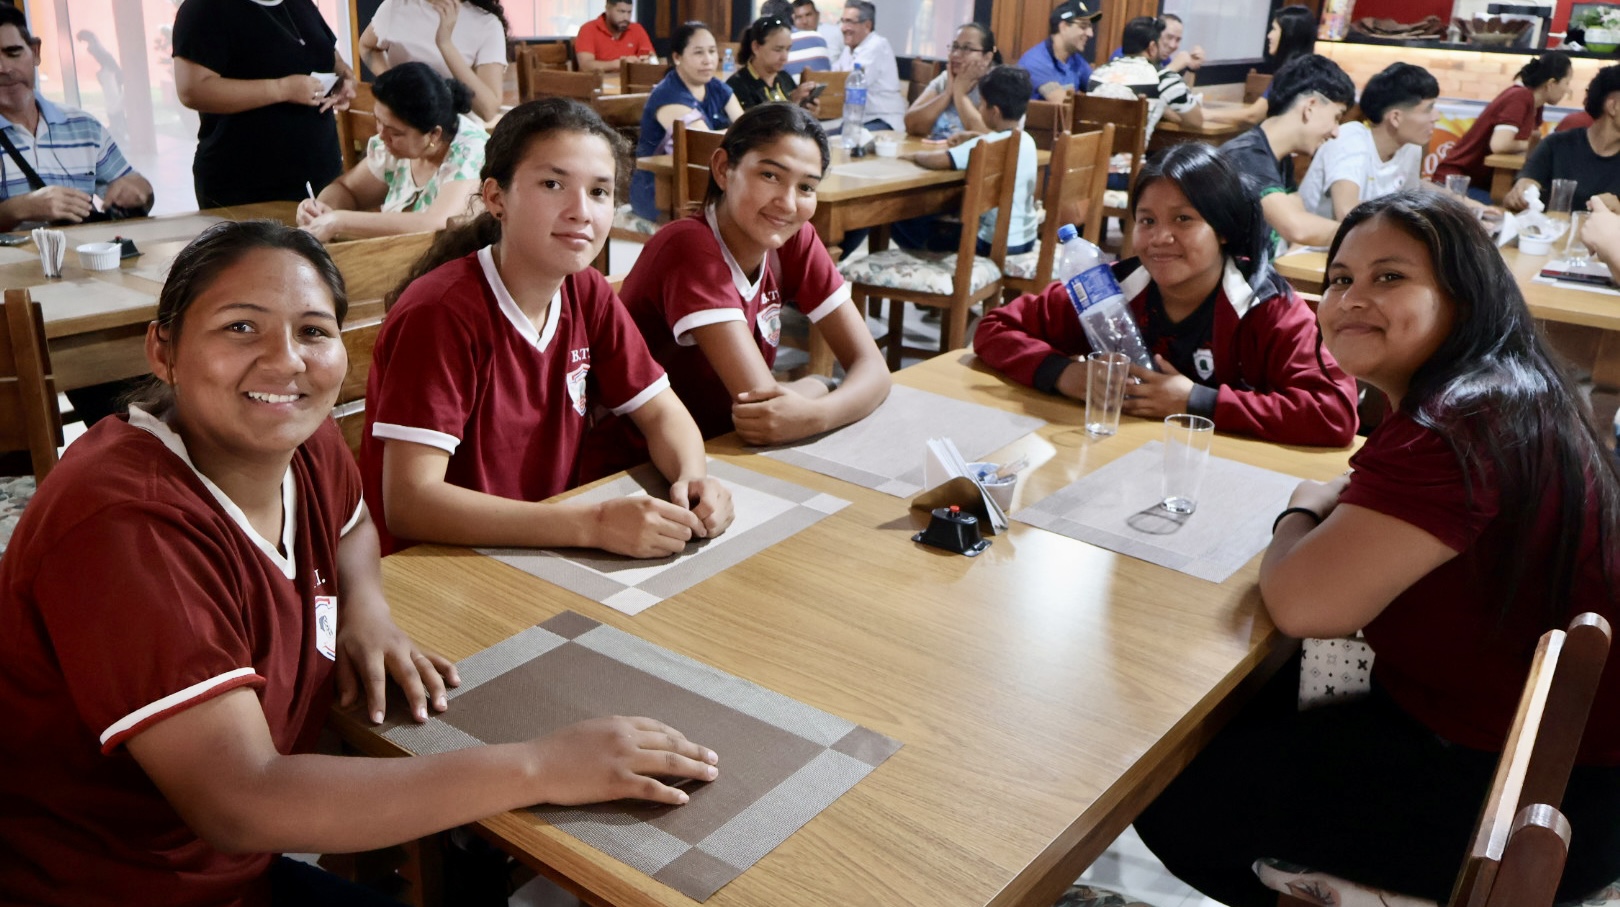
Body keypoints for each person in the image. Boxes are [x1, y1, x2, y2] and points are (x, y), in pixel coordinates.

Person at [0, 220, 722, 906]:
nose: (285, 361)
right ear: (163, 350)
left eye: (313, 331)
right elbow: (243, 802)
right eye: (239, 327)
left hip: (228, 875)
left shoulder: (299, 441)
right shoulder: (124, 523)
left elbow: (352, 527)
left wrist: (366, 613)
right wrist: (540, 765)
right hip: (111, 886)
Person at [1134, 188, 1620, 907]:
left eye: (1390, 276)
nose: (1352, 298)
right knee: (1255, 699)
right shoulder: (1498, 392)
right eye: (1339, 280)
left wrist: (1297, 512)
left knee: (1164, 784)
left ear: (1466, 295)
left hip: (1516, 800)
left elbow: (1304, 601)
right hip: (1552, 764)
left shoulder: (1459, 423)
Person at [363, 99, 734, 556]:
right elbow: (410, 503)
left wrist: (693, 479)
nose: (581, 211)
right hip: (440, 563)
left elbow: (662, 413)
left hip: (541, 547)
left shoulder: (587, 292)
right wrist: (592, 524)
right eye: (553, 184)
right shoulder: (440, 313)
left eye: (599, 192)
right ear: (497, 197)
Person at [976, 143, 1358, 447]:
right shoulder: (1109, 292)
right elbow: (994, 328)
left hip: (1223, 472)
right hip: (1117, 460)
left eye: (1183, 219)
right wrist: (1063, 374)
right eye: (1147, 221)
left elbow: (1334, 413)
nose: (1160, 238)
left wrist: (1198, 401)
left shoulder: (1267, 308)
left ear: (1223, 228)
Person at [612, 103, 888, 448]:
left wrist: (817, 409)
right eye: (770, 176)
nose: (788, 203)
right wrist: (821, 385)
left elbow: (875, 371)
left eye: (806, 187)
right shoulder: (688, 246)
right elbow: (764, 409)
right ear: (724, 169)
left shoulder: (792, 237)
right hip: (642, 464)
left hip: (724, 446)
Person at [174, 0, 357, 208]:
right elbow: (192, 90)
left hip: (322, 172)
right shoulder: (204, 8)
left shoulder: (300, 3)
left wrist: (344, 77)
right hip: (245, 180)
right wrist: (281, 89)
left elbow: (328, 53)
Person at [296, 63, 487, 241]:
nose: (381, 136)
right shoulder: (392, 146)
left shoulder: (471, 151)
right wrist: (321, 211)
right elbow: (347, 190)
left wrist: (339, 221)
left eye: (396, 132)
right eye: (378, 120)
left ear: (434, 134)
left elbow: (438, 223)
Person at [0, 5, 151, 231]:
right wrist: (19, 208)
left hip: (81, 263)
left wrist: (140, 192)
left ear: (36, 52)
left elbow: (137, 188)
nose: (5, 68)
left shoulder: (84, 127)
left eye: (14, 53)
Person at [895, 66, 1039, 256]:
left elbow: (941, 160)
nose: (979, 108)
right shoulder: (1027, 141)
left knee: (902, 219)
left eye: (982, 104)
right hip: (1024, 239)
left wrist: (915, 156)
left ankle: (930, 268)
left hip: (990, 243)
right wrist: (973, 136)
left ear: (994, 112)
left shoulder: (984, 145)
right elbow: (994, 142)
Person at [1219, 53, 1356, 252]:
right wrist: (1363, 233)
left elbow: (1299, 230)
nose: (1336, 132)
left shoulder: (1280, 158)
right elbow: (1297, 228)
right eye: (1337, 117)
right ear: (1310, 106)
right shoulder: (1245, 156)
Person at [629, 22, 744, 222]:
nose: (708, 60)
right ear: (677, 57)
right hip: (661, 190)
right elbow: (702, 145)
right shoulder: (668, 95)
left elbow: (746, 126)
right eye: (699, 53)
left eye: (712, 51)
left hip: (705, 179)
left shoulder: (716, 86)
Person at [1299, 63, 1441, 219]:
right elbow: (1346, 212)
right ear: (1395, 118)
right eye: (1429, 109)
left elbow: (1410, 205)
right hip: (1315, 242)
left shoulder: (1411, 148)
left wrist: (1459, 201)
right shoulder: (1350, 139)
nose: (1436, 117)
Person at [1433, 51, 1572, 203]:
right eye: (1567, 83)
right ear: (1551, 84)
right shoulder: (1519, 97)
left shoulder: (1535, 105)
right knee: (1507, 211)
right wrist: (1535, 145)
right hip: (1457, 183)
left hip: (1477, 183)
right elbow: (1499, 144)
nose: (1567, 90)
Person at [358, 0, 508, 121]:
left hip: (458, 137)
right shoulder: (395, 7)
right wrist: (396, 84)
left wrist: (445, 44)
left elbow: (488, 110)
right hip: (403, 128)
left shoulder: (487, 24)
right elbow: (366, 46)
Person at [1502, 64, 1620, 213]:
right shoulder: (1557, 145)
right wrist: (1522, 193)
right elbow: (1523, 187)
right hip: (1549, 232)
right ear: (1613, 106)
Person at [1086, 16, 1203, 147]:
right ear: (1152, 47)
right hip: (1128, 165)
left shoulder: (1097, 74)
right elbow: (1196, 122)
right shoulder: (1164, 78)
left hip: (1089, 162)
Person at [1203, 5, 1316, 129]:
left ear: (1288, 35)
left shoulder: (1292, 73)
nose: (1269, 35)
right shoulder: (1306, 69)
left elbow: (1253, 116)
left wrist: (1206, 114)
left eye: (1274, 29)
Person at [903, 23, 997, 137]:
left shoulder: (996, 84)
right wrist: (947, 93)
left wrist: (960, 94)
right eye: (955, 47)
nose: (956, 54)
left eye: (967, 48)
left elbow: (988, 139)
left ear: (987, 58)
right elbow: (911, 125)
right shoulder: (946, 78)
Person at [835, 0, 906, 133]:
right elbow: (834, 74)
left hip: (882, 121)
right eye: (843, 21)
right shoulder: (850, 48)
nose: (843, 28)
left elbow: (848, 83)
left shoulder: (876, 46)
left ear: (867, 25)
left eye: (850, 22)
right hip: (857, 121)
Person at [728, 15, 820, 113]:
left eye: (788, 49)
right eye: (778, 49)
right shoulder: (738, 85)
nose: (784, 57)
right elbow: (754, 125)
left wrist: (807, 113)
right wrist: (791, 103)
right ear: (756, 47)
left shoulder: (784, 78)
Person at [1016, 0, 1100, 103]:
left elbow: (1101, 90)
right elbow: (1063, 106)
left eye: (1090, 27)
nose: (1090, 34)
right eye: (1083, 26)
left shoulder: (1075, 60)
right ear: (1063, 27)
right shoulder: (1036, 61)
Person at [1105, 12, 1205, 75]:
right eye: (1169, 37)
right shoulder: (1124, 55)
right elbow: (1139, 86)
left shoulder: (1162, 59)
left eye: (1178, 40)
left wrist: (1189, 66)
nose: (1172, 45)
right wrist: (1173, 68)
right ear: (1156, 34)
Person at [575, 0, 655, 72]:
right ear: (608, 9)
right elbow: (585, 66)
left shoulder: (637, 29)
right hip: (597, 84)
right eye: (621, 12)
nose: (626, 17)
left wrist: (648, 62)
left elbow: (653, 59)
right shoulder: (588, 29)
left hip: (630, 83)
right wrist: (620, 64)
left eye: (629, 12)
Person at [787, 0, 835, 74]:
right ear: (793, 20)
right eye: (799, 17)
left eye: (808, 15)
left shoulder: (832, 34)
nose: (805, 21)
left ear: (817, 15)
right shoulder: (788, 42)